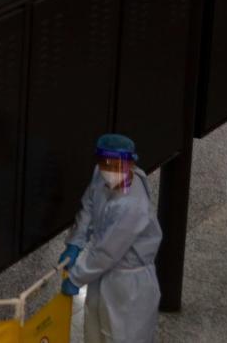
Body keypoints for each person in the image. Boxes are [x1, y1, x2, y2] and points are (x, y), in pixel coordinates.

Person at [58, 134, 162, 343]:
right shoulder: (101, 173)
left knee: (124, 336)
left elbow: (107, 252)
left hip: (129, 285)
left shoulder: (132, 206)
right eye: (105, 163)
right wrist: (75, 242)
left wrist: (76, 277)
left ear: (131, 163)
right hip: (102, 276)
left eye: (117, 165)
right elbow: (88, 206)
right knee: (95, 332)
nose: (110, 170)